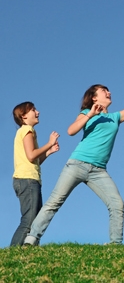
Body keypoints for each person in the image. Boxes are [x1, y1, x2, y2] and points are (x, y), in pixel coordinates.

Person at [24, 65, 124, 246]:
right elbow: (71, 131)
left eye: (108, 90)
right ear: (94, 97)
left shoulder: (115, 117)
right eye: (104, 91)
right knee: (55, 201)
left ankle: (116, 244)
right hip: (76, 165)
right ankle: (31, 239)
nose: (109, 92)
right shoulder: (86, 113)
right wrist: (90, 115)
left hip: (98, 171)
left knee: (117, 204)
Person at [11, 102, 60, 246]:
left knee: (35, 221)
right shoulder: (27, 130)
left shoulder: (27, 131)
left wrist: (48, 153)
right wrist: (49, 143)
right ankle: (14, 253)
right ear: (24, 116)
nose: (37, 112)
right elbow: (31, 155)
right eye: (33, 110)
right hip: (27, 180)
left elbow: (34, 160)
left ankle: (28, 252)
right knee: (29, 220)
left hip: (29, 179)